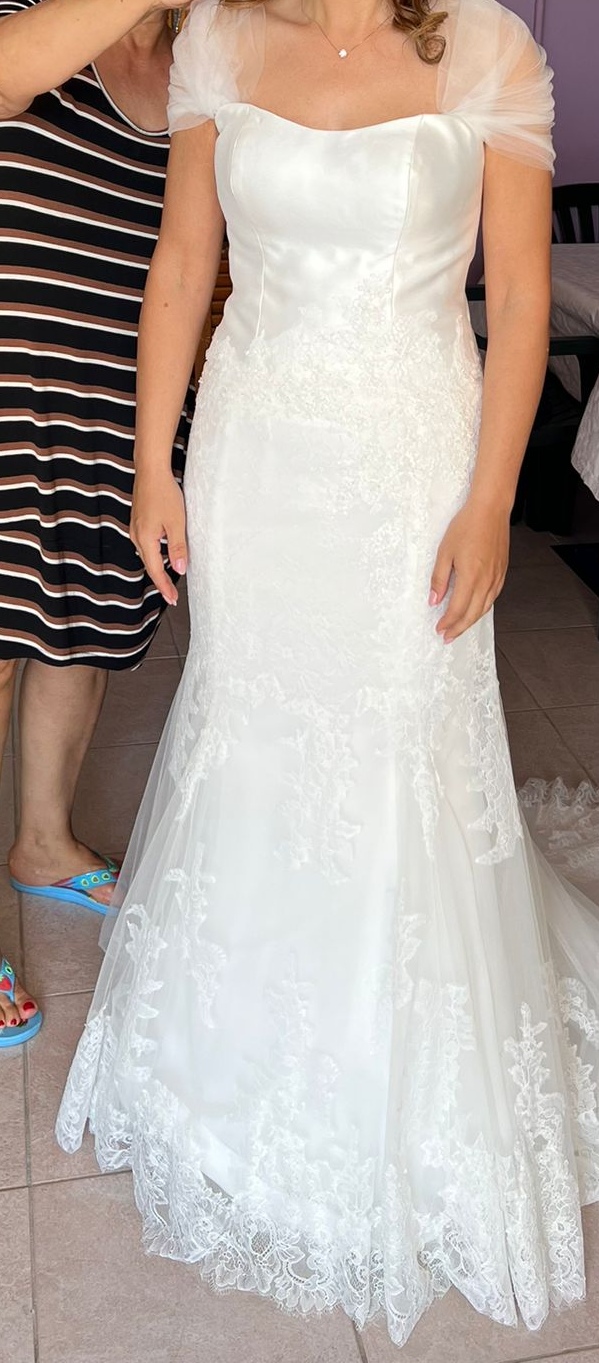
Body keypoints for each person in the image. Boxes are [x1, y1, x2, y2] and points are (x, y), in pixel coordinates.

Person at [55, 0, 599, 1345]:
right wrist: (150, 465)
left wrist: (487, 502)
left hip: (411, 460)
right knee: (256, 728)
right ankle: (229, 1056)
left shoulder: (486, 48)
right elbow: (184, 263)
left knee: (399, 741)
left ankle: (389, 1068)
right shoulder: (219, 41)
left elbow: (522, 298)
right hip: (255, 453)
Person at [0, 0, 191, 1041]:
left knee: (81, 627)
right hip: (8, 391)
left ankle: (43, 842)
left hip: (117, 407)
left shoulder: (206, 55)